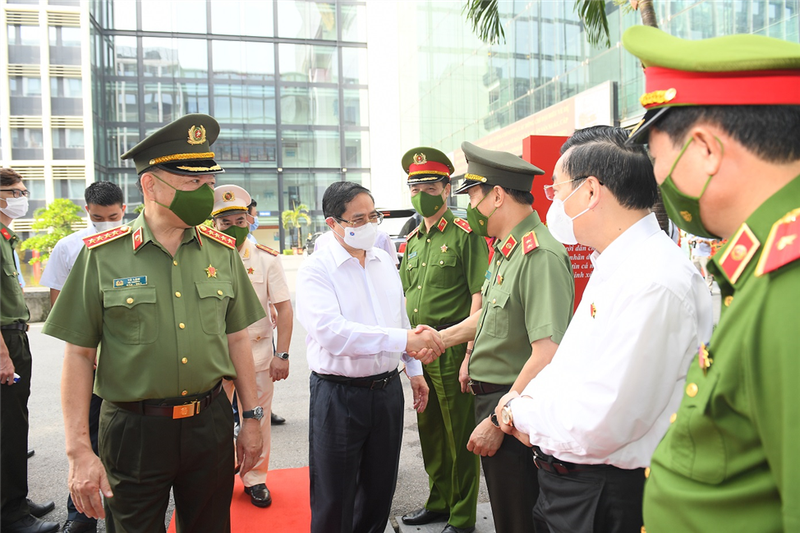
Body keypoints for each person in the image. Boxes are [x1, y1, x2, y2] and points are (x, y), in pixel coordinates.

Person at [42, 114, 266, 532]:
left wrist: (251, 419)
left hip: (209, 421)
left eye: (208, 184)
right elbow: (77, 355)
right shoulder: (102, 256)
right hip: (134, 430)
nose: (206, 195)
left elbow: (239, 339)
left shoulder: (222, 253)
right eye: (192, 184)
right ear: (150, 185)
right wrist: (78, 451)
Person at [623, 27, 800, 532]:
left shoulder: (789, 286)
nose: (657, 180)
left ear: (704, 150)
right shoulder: (762, 265)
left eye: (656, 159)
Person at [494, 126, 713, 532]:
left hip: (606, 492)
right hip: (574, 484)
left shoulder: (654, 280)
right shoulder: (617, 263)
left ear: (591, 192)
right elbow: (571, 368)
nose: (553, 204)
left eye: (557, 191)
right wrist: (523, 402)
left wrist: (518, 411)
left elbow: (602, 422)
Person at [415, 142, 575, 533]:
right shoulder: (508, 251)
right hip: (498, 401)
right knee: (507, 513)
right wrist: (442, 338)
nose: (471, 206)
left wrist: (496, 417)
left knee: (518, 517)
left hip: (513, 409)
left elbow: (548, 352)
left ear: (498, 195)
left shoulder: (540, 256)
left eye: (474, 195)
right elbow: (489, 316)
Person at [296, 181, 443, 533]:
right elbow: (334, 333)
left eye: (373, 215)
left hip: (386, 392)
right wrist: (404, 339)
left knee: (379, 491)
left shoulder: (381, 259)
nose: (369, 225)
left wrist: (413, 368)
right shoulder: (317, 269)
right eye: (358, 219)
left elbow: (399, 315)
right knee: (336, 497)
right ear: (333, 223)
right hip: (339, 395)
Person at [397, 147, 487, 533]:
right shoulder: (413, 239)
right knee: (431, 433)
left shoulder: (466, 234)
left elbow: (479, 296)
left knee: (460, 436)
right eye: (415, 186)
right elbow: (405, 296)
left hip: (451, 351)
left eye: (430, 186)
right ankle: (439, 501)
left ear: (447, 188)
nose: (422, 193)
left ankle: (463, 515)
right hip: (420, 352)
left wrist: (468, 354)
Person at [39, 181, 126, 533]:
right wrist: (85, 350)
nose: (106, 223)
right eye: (98, 218)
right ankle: (81, 514)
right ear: (86, 212)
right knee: (85, 432)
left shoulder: (139, 243)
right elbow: (59, 301)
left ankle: (125, 501)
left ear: (125, 209)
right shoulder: (69, 247)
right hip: (87, 358)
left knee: (125, 434)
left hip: (126, 358)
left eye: (114, 217)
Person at [211, 184, 293, 508]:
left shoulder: (266, 259)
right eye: (225, 223)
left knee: (257, 420)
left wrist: (282, 354)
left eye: (239, 221)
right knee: (214, 424)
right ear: (213, 224)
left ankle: (255, 479)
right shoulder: (203, 257)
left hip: (258, 355)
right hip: (215, 358)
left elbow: (284, 308)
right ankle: (217, 477)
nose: (234, 228)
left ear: (250, 221)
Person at [0, 169, 59, 533]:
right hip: (4, 341)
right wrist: (3, 353)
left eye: (24, 190)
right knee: (7, 429)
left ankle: (16, 498)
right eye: (16, 191)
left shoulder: (7, 237)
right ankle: (10, 515)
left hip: (14, 336)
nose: (23, 196)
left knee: (15, 423)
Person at [313, 225, 399, 266]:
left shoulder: (382, 237)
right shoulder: (322, 241)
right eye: (358, 218)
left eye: (372, 216)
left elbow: (393, 267)